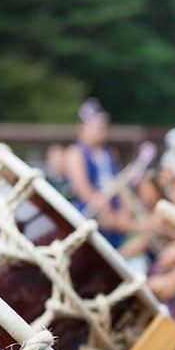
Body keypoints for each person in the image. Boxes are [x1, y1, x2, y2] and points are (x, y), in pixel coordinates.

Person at [65, 98, 133, 247]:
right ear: (81, 128)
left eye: (102, 126)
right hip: (90, 213)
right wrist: (106, 209)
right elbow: (83, 190)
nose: (100, 129)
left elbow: (120, 186)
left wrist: (125, 210)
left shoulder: (110, 153)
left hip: (112, 213)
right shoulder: (75, 153)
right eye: (94, 126)